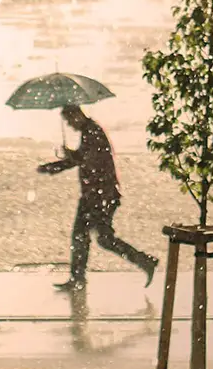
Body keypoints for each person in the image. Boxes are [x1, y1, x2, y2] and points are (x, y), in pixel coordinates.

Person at [37, 105, 158, 291]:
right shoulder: (89, 131)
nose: (70, 125)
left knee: (96, 238)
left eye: (70, 121)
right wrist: (54, 166)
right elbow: (82, 159)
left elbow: (89, 160)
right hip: (96, 195)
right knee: (85, 236)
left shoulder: (93, 132)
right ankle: (78, 278)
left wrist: (69, 157)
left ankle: (144, 261)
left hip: (101, 195)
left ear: (77, 114)